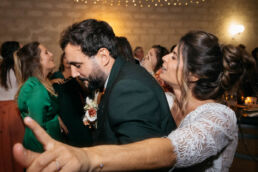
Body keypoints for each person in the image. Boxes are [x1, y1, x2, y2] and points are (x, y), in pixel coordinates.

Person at [13, 31, 254, 172]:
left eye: (175, 55)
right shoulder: (168, 100)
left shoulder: (219, 116)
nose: (166, 58)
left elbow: (171, 150)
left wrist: (88, 158)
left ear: (194, 75)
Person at [59, 19, 175, 146]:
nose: (74, 73)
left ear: (103, 57)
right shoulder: (118, 77)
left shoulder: (128, 87)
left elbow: (137, 158)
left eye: (77, 65)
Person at [16, 42, 65, 153]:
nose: (51, 54)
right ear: (36, 61)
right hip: (42, 149)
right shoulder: (35, 87)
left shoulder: (42, 83)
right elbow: (36, 128)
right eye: (46, 52)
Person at [50, 53, 93, 147]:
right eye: (64, 57)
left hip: (78, 111)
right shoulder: (56, 75)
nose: (67, 60)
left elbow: (87, 91)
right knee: (70, 140)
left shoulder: (79, 74)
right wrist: (51, 81)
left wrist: (77, 80)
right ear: (61, 60)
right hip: (63, 111)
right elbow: (48, 91)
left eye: (69, 58)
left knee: (84, 139)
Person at [0, 41, 24, 172]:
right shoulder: (19, 70)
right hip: (14, 111)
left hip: (1, 111)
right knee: (18, 146)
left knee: (4, 149)